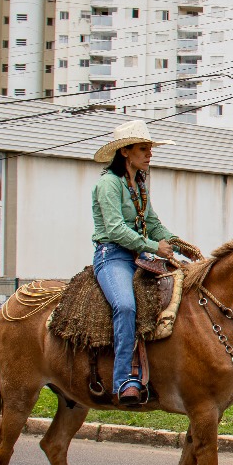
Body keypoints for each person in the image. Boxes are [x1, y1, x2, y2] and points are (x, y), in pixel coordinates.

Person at [90, 121, 199, 405]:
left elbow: (152, 224)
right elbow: (115, 230)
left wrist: (180, 245)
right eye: (143, 148)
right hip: (112, 256)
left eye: (150, 148)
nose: (149, 153)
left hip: (139, 257)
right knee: (125, 306)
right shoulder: (108, 184)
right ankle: (123, 379)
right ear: (125, 151)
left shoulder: (139, 184)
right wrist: (155, 247)